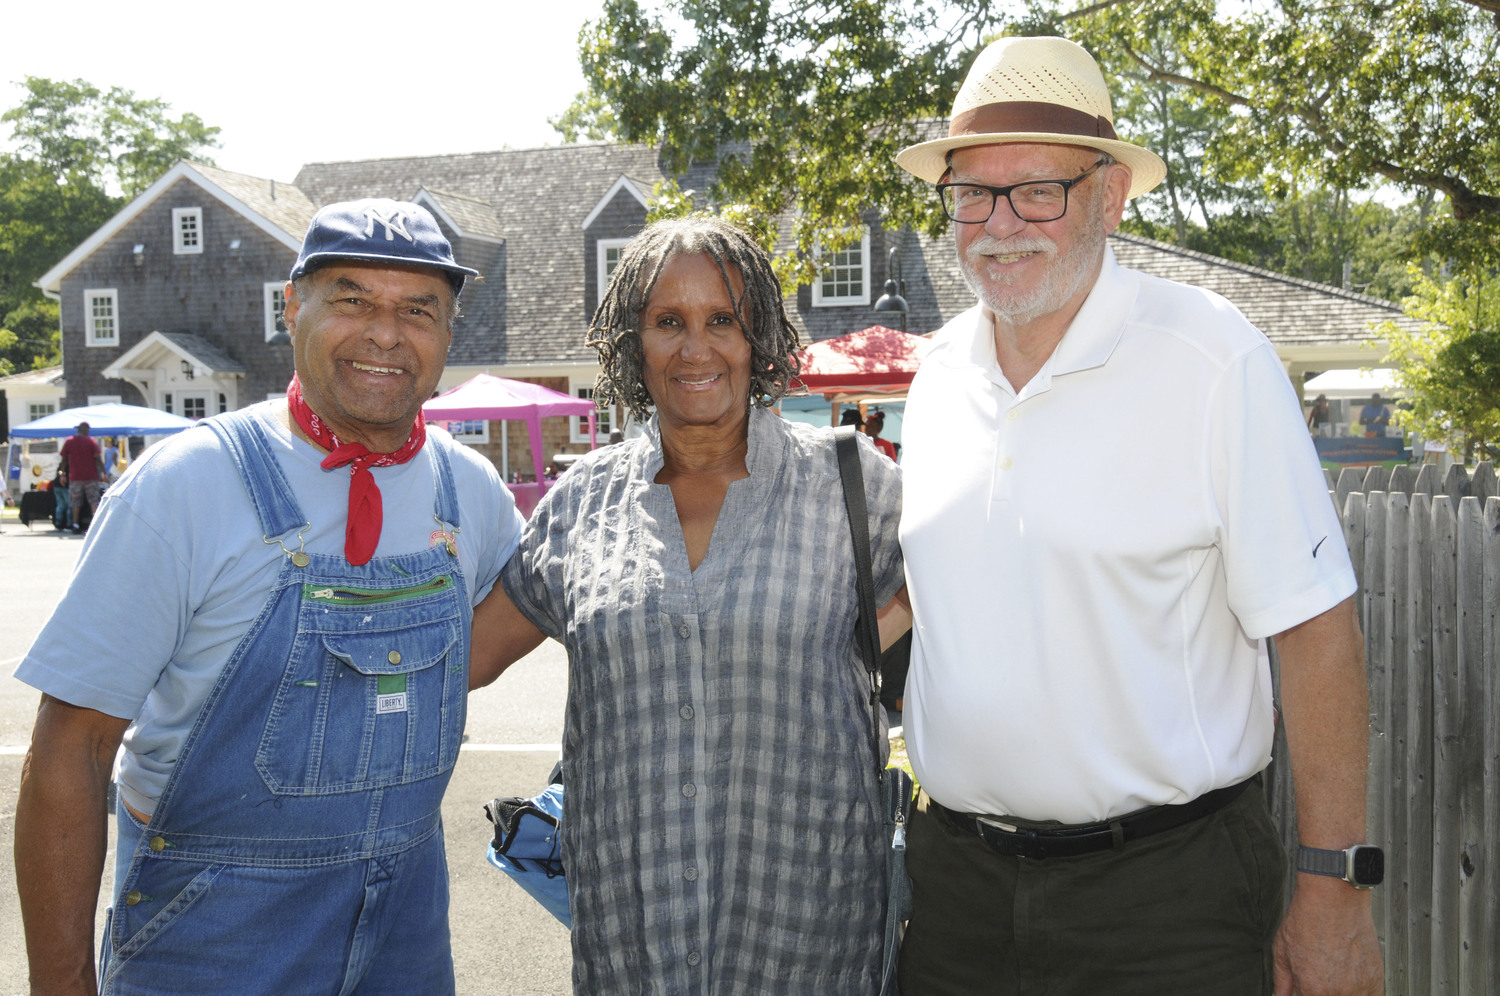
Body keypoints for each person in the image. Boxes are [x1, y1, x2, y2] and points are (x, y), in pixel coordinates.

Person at [891, 36, 1382, 995]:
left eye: (1037, 190)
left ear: (1110, 196)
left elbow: (1318, 630)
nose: (999, 224)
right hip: (955, 895)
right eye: (972, 192)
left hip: (1166, 900)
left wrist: (1335, 891)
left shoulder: (1211, 358)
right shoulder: (938, 375)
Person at [14, 198, 526, 994]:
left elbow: (475, 652)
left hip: (407, 934)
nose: (386, 333)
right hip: (213, 938)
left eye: (418, 309)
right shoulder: (187, 486)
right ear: (292, 308)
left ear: (449, 332)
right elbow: (71, 751)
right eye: (352, 299)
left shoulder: (471, 492)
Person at [468, 217, 907, 994]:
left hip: (809, 939)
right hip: (635, 944)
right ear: (633, 342)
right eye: (668, 322)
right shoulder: (581, 505)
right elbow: (464, 659)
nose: (695, 348)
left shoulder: (854, 488)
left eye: (722, 320)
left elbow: (959, 619)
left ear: (758, 335)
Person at [58, 421, 105, 531]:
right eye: (88, 429)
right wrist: (104, 472)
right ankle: (95, 524)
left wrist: (62, 473)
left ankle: (75, 524)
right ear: (85, 429)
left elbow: (64, 459)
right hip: (91, 476)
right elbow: (97, 458)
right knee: (93, 500)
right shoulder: (91, 441)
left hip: (75, 476)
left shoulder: (69, 441)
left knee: (75, 501)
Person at [49, 466, 73, 531]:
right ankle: (69, 524)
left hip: (56, 484)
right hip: (66, 485)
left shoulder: (62, 463)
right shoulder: (71, 462)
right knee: (69, 505)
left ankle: (58, 523)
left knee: (60, 505)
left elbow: (58, 471)